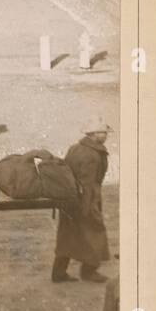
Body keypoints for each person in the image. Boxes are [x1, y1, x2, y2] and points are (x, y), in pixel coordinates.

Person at [52, 118, 113, 284]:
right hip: (86, 199)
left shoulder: (75, 148)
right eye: (102, 132)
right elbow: (87, 184)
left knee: (67, 236)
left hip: (69, 198)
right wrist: (87, 208)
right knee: (94, 233)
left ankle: (58, 273)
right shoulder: (92, 154)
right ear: (93, 134)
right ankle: (89, 272)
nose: (106, 135)